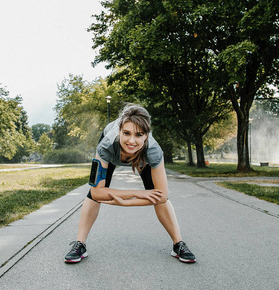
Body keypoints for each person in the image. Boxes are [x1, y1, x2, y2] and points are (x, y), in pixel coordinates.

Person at [64, 104, 196, 263]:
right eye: (126, 133)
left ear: (146, 136)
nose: (131, 141)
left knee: (158, 194)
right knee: (92, 194)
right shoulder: (105, 146)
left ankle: (178, 243)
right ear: (119, 131)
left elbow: (162, 196)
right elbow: (97, 193)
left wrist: (127, 204)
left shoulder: (153, 151)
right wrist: (138, 193)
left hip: (142, 156)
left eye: (139, 134)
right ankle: (80, 244)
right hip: (113, 155)